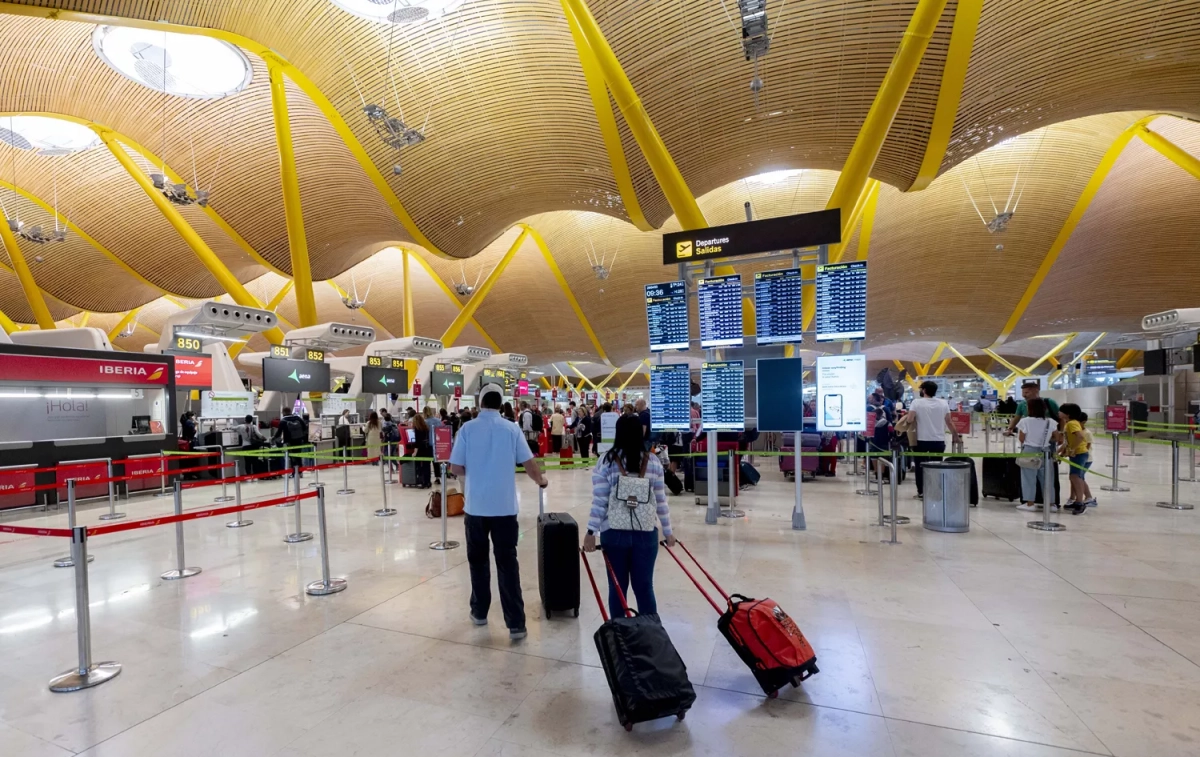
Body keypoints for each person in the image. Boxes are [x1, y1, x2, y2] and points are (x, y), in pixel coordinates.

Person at [449, 384, 547, 640]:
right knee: (507, 563)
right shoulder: (512, 429)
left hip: (476, 508)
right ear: (500, 403)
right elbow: (530, 464)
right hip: (504, 509)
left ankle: (479, 612)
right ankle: (516, 624)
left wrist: (476, 473)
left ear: (480, 403)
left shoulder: (467, 429)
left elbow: (455, 467)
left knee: (478, 561)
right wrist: (541, 482)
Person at [583, 414, 675, 619]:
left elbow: (600, 501)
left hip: (613, 533)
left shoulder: (605, 461)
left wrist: (591, 531)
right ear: (640, 433)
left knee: (617, 589)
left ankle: (620, 638)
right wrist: (668, 532)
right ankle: (651, 635)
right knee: (644, 587)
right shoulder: (653, 462)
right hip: (646, 533)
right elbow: (661, 501)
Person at [908, 381, 962, 499]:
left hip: (921, 440)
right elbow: (949, 421)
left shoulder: (916, 403)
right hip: (938, 440)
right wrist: (956, 436)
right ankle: (935, 491)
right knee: (937, 466)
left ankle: (921, 492)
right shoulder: (943, 403)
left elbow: (910, 419)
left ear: (924, 390)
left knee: (920, 466)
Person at [1015, 398, 1058, 512]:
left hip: (1029, 451)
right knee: (1047, 478)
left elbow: (1021, 438)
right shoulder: (1051, 422)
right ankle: (1051, 504)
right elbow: (1057, 438)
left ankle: (1030, 504)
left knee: (1028, 478)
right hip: (1046, 451)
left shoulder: (1025, 421)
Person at [1058, 403, 1091, 515]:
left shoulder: (1072, 423)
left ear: (1067, 414)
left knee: (1076, 477)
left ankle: (1080, 502)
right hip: (1077, 453)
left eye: (1060, 411)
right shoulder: (1069, 423)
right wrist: (1063, 452)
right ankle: (1078, 500)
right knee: (1075, 477)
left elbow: (1080, 436)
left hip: (1079, 453)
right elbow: (1068, 441)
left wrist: (1073, 449)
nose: (1058, 412)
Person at [411, 412, 432, 488]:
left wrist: (415, 452)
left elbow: (418, 441)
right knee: (427, 466)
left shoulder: (417, 428)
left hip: (421, 449)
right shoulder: (426, 427)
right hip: (427, 448)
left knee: (420, 466)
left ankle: (422, 481)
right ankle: (428, 482)